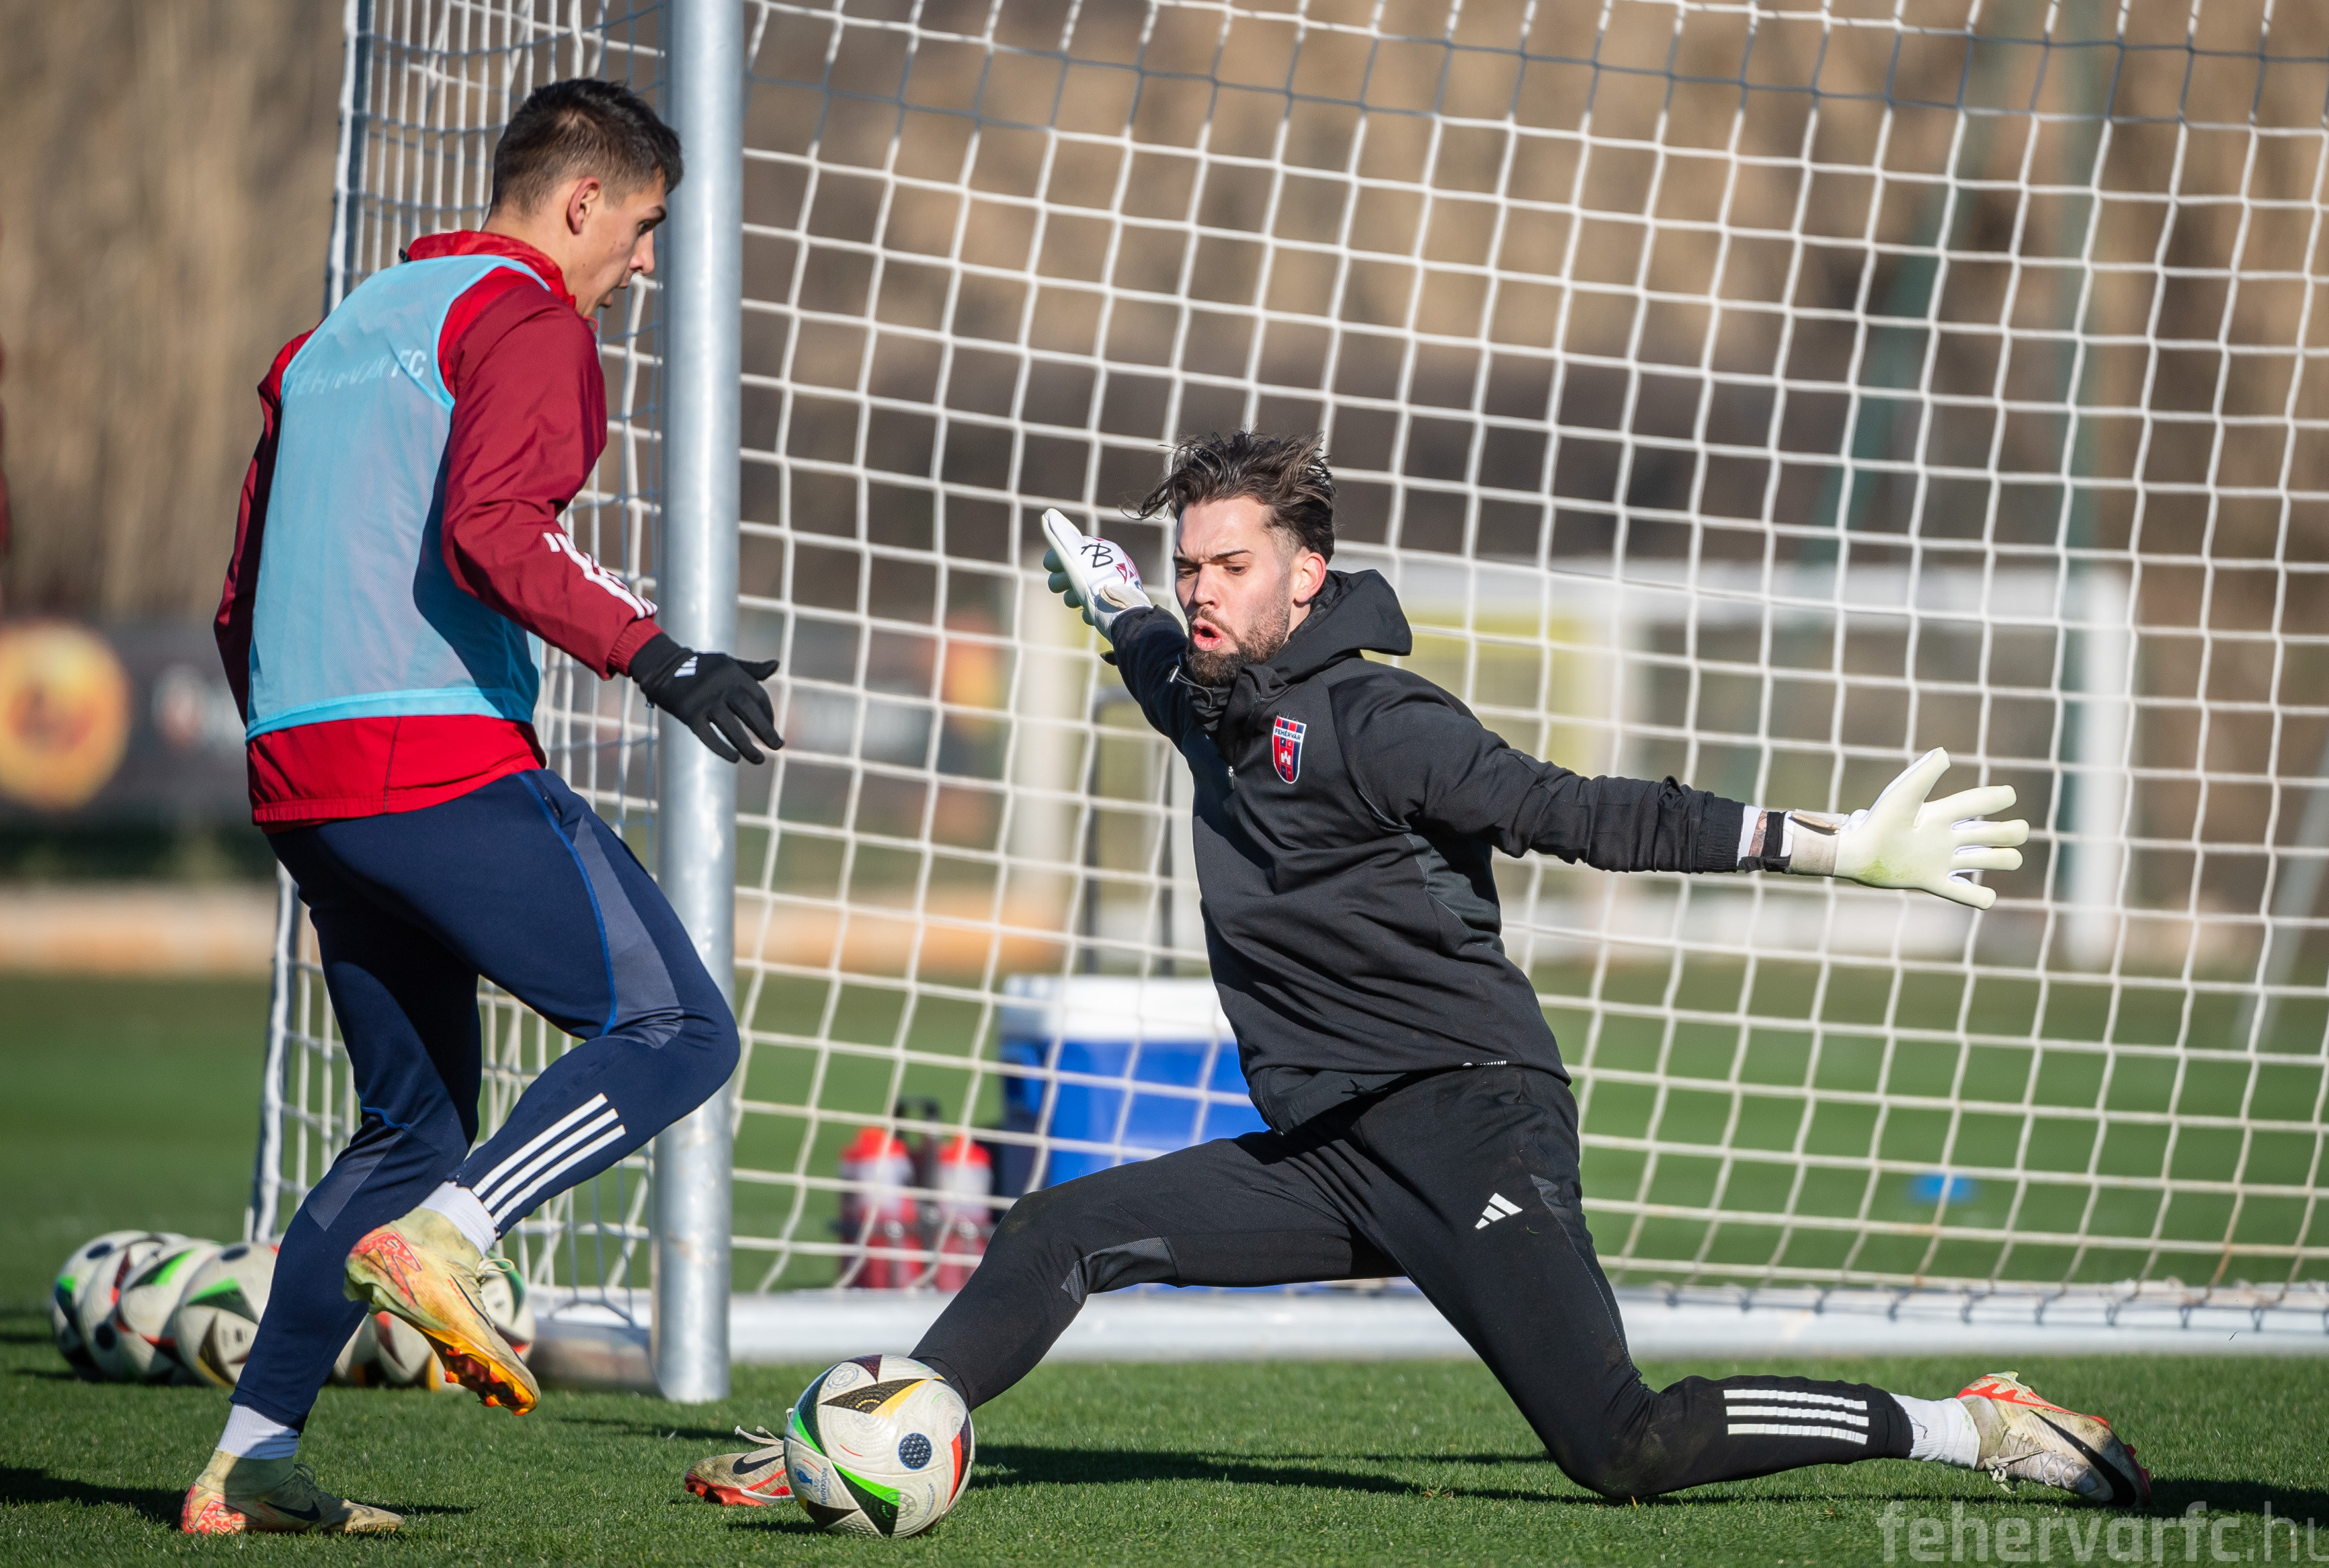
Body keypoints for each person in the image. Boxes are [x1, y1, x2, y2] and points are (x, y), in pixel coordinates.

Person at [688, 430, 2149, 1514]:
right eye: (1190, 566)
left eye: (1231, 566)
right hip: (1333, 1146)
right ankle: (871, 1431)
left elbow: (1585, 813)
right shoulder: (1206, 690)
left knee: (1620, 1446)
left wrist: (1830, 849)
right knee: (1058, 1227)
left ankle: (1973, 1425)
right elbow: (1149, 651)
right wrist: (1121, 599)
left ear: (1306, 577)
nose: (1202, 592)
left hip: (1469, 1118)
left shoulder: (1382, 721)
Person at [187, 79, 783, 1537]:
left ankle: (250, 1461)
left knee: (408, 1126)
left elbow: (238, 593)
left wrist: (289, 749)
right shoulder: (526, 318)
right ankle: (449, 1242)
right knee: (680, 1030)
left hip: (303, 776)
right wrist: (662, 659)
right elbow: (494, 531)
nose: (644, 261)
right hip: (431, 761)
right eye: (645, 225)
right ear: (584, 201)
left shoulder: (339, 333)